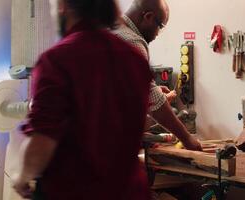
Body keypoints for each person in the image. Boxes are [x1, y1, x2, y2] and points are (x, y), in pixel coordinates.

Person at [12, 0, 154, 199]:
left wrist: (22, 176)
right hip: (129, 191)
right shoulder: (135, 59)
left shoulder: (56, 60)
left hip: (75, 191)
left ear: (63, 6)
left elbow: (42, 141)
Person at [113, 0, 202, 151]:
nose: (157, 34)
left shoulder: (112, 28)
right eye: (160, 26)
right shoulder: (132, 42)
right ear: (148, 17)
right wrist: (187, 139)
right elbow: (153, 100)